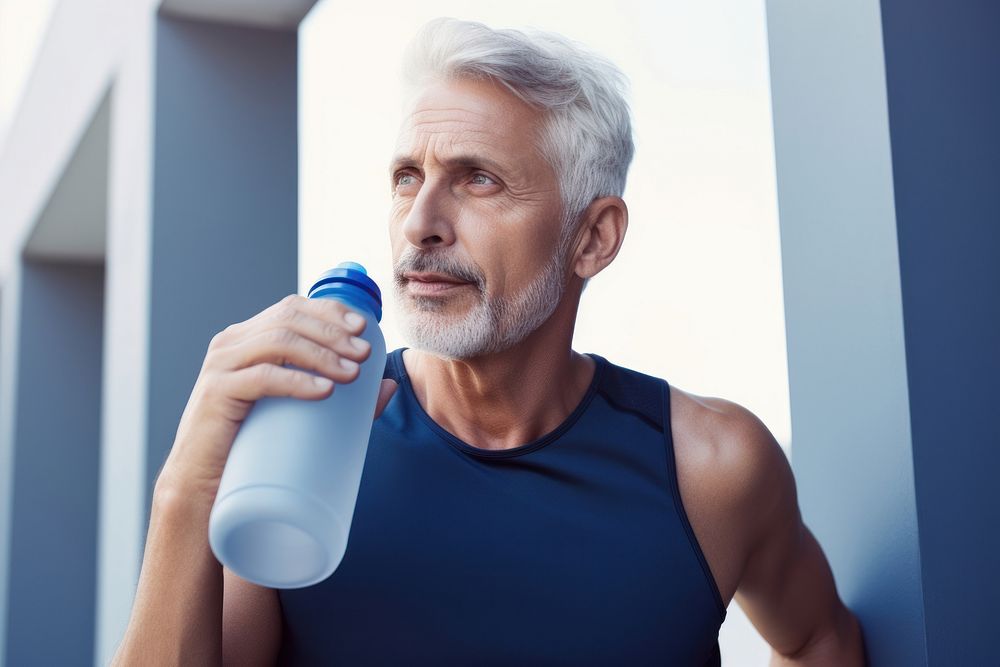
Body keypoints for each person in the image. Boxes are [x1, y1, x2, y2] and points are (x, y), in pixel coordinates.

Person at [113, 17, 866, 666]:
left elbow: (818, 640)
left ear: (593, 238)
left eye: (477, 180)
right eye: (408, 177)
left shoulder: (713, 467)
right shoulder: (304, 456)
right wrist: (184, 489)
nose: (420, 221)